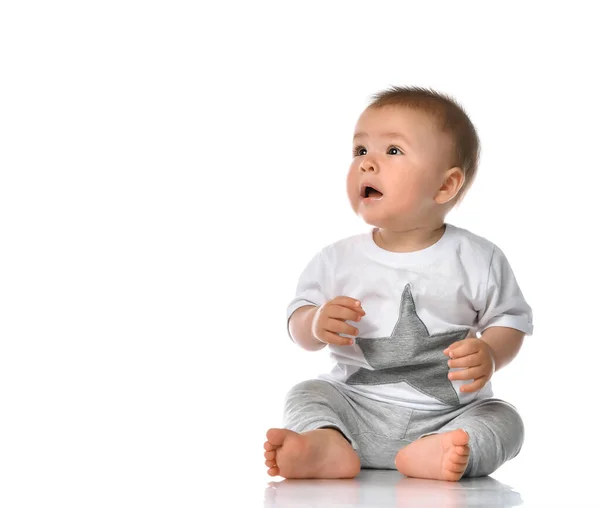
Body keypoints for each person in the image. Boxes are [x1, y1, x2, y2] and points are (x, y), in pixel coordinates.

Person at [263, 86, 534, 481]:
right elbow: (298, 322)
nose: (367, 164)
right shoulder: (337, 259)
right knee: (307, 393)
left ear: (445, 186)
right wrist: (315, 321)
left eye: (392, 151)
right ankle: (327, 443)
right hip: (355, 405)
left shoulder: (479, 258)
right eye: (360, 151)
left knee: (505, 420)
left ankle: (442, 454)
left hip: (449, 416)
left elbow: (510, 321)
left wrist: (490, 353)